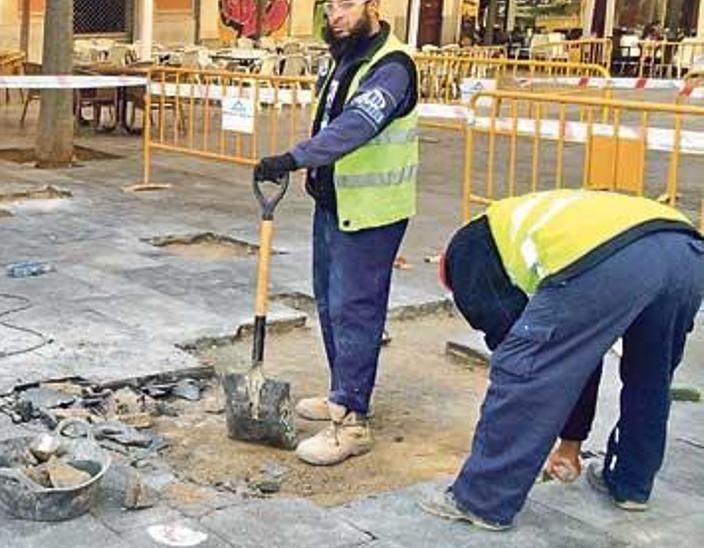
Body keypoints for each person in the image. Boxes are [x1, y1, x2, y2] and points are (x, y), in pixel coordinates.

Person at [421, 189, 704, 530]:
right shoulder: (519, 220)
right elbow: (578, 349)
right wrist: (571, 443)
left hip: (613, 258)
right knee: (651, 375)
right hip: (686, 252)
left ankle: (483, 499)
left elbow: (542, 364)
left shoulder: (466, 258)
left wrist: (570, 441)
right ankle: (630, 484)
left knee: (523, 367)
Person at [253, 0, 418, 466]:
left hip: (371, 213)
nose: (335, 17)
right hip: (334, 205)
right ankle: (342, 392)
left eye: (346, 5)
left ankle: (353, 423)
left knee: (355, 311)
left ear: (373, 6)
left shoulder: (392, 66)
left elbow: (355, 127)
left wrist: (295, 157)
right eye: (329, 8)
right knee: (329, 303)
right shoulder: (346, 58)